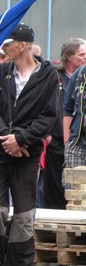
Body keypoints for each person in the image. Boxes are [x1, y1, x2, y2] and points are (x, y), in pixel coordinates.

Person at [0, 24, 59, 266]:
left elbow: (49, 116)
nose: (4, 49)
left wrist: (22, 139)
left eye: (9, 43)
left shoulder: (48, 75)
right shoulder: (0, 73)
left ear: (24, 45)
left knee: (25, 215)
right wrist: (7, 138)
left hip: (27, 155)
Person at [47, 38, 86, 209]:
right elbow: (66, 108)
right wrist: (63, 141)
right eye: (82, 54)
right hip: (67, 141)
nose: (84, 57)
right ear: (69, 57)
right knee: (66, 188)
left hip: (71, 139)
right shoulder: (61, 76)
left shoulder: (77, 74)